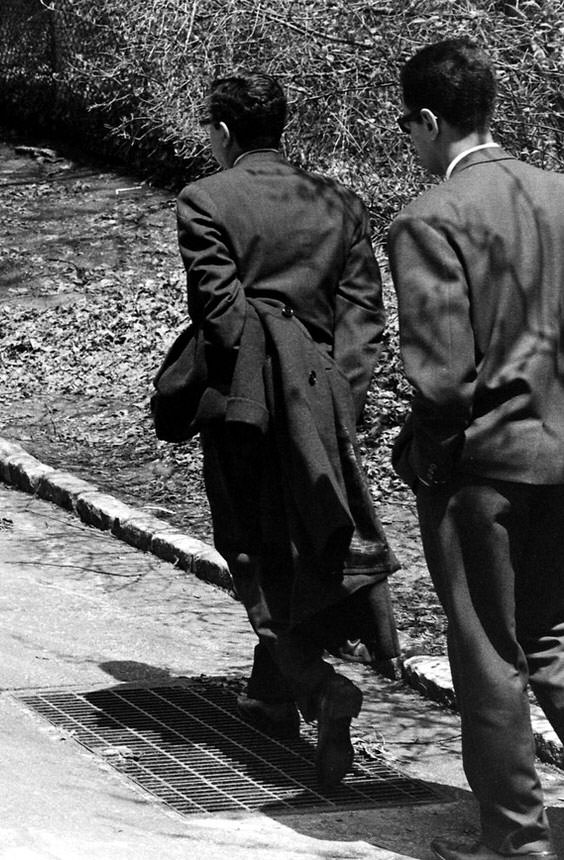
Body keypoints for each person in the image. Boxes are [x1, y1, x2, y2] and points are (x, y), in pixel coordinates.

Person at [155, 72, 399, 789]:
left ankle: (319, 687)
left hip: (245, 409)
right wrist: (332, 396)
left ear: (223, 133)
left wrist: (269, 386)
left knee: (254, 552)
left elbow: (223, 318)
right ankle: (270, 699)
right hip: (323, 407)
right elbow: (363, 321)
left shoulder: (206, 199)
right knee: (309, 542)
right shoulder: (339, 204)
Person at [390, 38, 564, 860]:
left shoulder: (430, 218)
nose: (409, 142)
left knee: (490, 651)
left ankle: (516, 842)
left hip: (483, 466)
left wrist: (425, 452)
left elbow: (443, 376)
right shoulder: (560, 196)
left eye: (406, 127)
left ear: (428, 121)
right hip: (563, 450)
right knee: (554, 640)